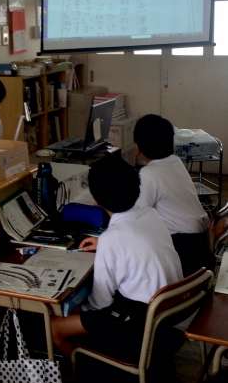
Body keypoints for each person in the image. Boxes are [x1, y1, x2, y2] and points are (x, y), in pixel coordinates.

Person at [51, 156, 182, 359]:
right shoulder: (150, 214)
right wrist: (105, 244)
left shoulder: (112, 239)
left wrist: (78, 311)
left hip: (139, 325)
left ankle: (87, 365)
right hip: (168, 313)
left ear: (95, 199)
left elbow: (100, 303)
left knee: (55, 327)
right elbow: (136, 242)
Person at [134, 114, 210, 276]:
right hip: (201, 241)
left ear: (139, 146)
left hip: (183, 248)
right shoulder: (175, 161)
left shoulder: (149, 173)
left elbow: (135, 217)